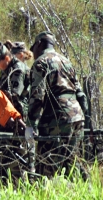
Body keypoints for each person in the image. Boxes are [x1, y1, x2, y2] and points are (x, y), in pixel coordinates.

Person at [26, 31, 88, 180]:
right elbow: (81, 95)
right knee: (73, 163)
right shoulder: (67, 61)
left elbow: (37, 97)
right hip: (77, 118)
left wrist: (31, 125)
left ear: (39, 44)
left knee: (46, 167)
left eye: (33, 47)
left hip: (56, 119)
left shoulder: (40, 63)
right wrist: (82, 116)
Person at [0, 41, 35, 177]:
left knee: (19, 161)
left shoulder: (17, 70)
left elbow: (11, 96)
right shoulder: (6, 69)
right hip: (5, 121)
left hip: (19, 122)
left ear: (6, 58)